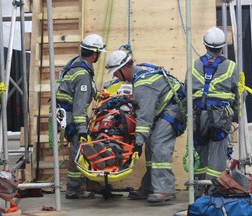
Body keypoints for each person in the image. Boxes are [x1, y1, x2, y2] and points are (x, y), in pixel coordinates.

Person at [105, 50, 186, 203]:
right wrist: (142, 141)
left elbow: (145, 115)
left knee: (159, 145)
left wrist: (138, 142)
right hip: (165, 109)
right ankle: (149, 186)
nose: (115, 77)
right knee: (151, 147)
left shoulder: (142, 84)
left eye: (115, 73)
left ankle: (165, 190)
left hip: (172, 111)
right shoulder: (141, 72)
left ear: (124, 68)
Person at [189, 27, 239, 198]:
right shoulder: (232, 67)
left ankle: (196, 191)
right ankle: (214, 191)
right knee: (218, 152)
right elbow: (239, 93)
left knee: (199, 151)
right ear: (223, 46)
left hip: (198, 117)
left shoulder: (194, 65)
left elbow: (186, 91)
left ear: (205, 45)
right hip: (220, 116)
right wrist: (236, 115)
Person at [56, 34, 106, 199]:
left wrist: (98, 95)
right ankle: (74, 190)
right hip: (72, 117)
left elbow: (78, 93)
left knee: (79, 151)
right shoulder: (83, 74)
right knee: (78, 152)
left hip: (65, 114)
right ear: (94, 53)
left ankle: (84, 183)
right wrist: (82, 129)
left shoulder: (76, 64)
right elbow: (79, 106)